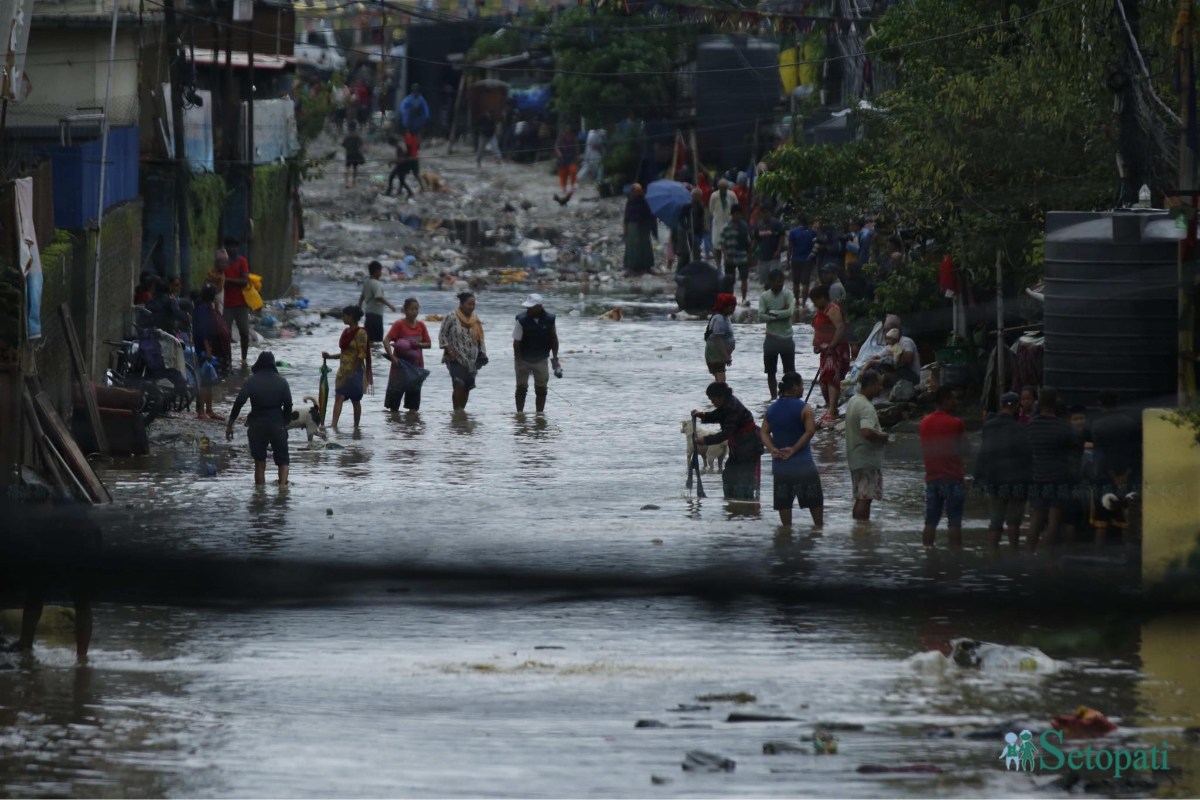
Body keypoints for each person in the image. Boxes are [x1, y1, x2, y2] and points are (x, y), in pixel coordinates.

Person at [4, 484, 99, 663]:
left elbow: (91, 538)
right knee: (33, 595)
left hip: (80, 552)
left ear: (47, 503)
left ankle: (82, 655)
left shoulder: (71, 515)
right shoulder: (31, 517)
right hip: (46, 551)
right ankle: (25, 644)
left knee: (82, 602)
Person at [761, 371, 823, 527]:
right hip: (803, 465)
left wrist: (772, 449)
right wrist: (794, 449)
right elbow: (810, 431)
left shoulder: (772, 409)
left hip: (781, 466)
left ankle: (786, 533)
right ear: (795, 387)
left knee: (784, 503)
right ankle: (818, 530)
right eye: (801, 385)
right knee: (814, 501)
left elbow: (763, 432)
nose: (803, 389)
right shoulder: (805, 409)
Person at [225, 351, 292, 486]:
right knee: (283, 461)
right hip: (277, 424)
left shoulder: (252, 381)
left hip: (257, 425)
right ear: (273, 364)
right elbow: (288, 405)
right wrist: (284, 422)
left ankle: (260, 494)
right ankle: (283, 491)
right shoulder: (282, 382)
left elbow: (239, 402)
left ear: (259, 364)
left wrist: (230, 425)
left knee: (259, 462)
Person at [1027, 387, 1081, 550]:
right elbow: (1076, 450)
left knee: (1036, 518)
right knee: (1053, 520)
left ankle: (1028, 556)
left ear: (1039, 403)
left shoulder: (1031, 425)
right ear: (1055, 403)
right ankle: (1045, 558)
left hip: (1037, 477)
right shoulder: (1064, 427)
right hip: (1059, 478)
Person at [975, 391, 1032, 547]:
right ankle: (1014, 555)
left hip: (995, 480)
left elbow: (983, 454)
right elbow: (1027, 457)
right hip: (1017, 481)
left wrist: (978, 479)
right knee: (1014, 522)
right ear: (1016, 407)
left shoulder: (989, 427)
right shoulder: (1021, 429)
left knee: (995, 521)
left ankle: (992, 554)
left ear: (1001, 405)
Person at [691, 382, 761, 502]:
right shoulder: (726, 404)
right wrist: (702, 415)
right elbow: (717, 415)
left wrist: (705, 440)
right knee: (729, 474)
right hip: (738, 444)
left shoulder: (731, 407)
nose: (711, 402)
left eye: (712, 399)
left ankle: (746, 504)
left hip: (747, 444)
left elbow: (727, 433)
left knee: (744, 476)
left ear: (720, 396)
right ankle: (732, 501)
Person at [1088, 390, 1142, 544]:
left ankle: (1098, 558)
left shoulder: (1097, 426)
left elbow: (1101, 455)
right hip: (1128, 478)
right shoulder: (1131, 423)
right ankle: (1126, 557)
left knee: (1101, 524)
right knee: (1125, 521)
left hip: (1103, 480)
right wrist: (1125, 474)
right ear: (1117, 401)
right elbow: (1137, 452)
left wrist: (1113, 475)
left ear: (1099, 404)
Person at [919, 386, 968, 547]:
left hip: (933, 479)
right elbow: (965, 449)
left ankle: (928, 555)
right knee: (954, 522)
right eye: (953, 398)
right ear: (946, 400)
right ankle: (955, 560)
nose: (956, 402)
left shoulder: (924, 423)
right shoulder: (956, 423)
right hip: (954, 479)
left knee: (930, 521)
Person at [845, 369, 889, 521]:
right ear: (871, 385)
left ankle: (859, 531)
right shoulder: (866, 406)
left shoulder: (853, 400)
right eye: (879, 385)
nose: (881, 388)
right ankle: (862, 534)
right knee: (865, 498)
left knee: (860, 498)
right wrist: (883, 436)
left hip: (856, 458)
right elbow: (867, 432)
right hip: (866, 460)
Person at [321, 306, 373, 429]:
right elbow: (345, 354)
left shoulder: (361, 333)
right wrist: (330, 357)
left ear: (352, 317)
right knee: (339, 396)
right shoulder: (346, 332)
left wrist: (353, 370)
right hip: (343, 372)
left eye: (345, 315)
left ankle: (356, 427)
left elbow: (361, 355)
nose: (343, 318)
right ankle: (333, 425)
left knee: (355, 400)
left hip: (355, 373)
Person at [512, 293, 560, 413]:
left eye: (531, 307)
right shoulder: (521, 319)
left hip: (542, 359)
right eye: (527, 307)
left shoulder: (550, 319)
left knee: (541, 389)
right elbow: (516, 342)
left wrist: (555, 360)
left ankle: (539, 414)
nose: (528, 309)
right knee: (521, 388)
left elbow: (554, 338)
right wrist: (519, 361)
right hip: (523, 358)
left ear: (539, 307)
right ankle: (519, 414)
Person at [439, 291, 487, 411]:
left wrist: (482, 354)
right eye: (469, 304)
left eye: (473, 304)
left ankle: (461, 412)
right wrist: (449, 350)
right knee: (458, 383)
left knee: (466, 386)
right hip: (455, 357)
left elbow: (480, 339)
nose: (471, 307)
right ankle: (456, 411)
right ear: (461, 304)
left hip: (472, 359)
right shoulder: (451, 316)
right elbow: (442, 335)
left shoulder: (475, 319)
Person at [810, 285, 850, 425]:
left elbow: (840, 328)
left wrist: (832, 345)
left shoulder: (833, 309)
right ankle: (830, 407)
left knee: (831, 376)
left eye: (815, 301)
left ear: (822, 298)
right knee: (824, 380)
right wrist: (817, 344)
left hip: (835, 350)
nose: (814, 304)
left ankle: (832, 410)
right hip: (825, 351)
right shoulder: (821, 311)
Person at [383, 297, 432, 412]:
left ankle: (411, 428)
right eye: (411, 309)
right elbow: (386, 340)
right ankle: (396, 428)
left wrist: (418, 345)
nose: (414, 312)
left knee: (413, 407)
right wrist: (392, 356)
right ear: (404, 310)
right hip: (399, 369)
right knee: (393, 406)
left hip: (416, 370)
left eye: (416, 309)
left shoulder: (421, 326)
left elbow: (429, 344)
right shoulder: (399, 324)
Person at [758, 268, 796, 399]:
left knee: (790, 372)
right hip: (771, 338)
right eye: (777, 282)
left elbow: (790, 312)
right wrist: (780, 313)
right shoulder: (764, 296)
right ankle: (773, 397)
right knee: (770, 372)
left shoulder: (788, 294)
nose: (780, 284)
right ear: (770, 282)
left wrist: (772, 312)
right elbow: (760, 317)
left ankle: (790, 395)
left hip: (787, 338)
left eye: (781, 282)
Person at [191, 285, 227, 420]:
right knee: (204, 382)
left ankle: (209, 410)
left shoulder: (206, 308)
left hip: (206, 348)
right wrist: (207, 349)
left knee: (209, 381)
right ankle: (201, 411)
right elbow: (203, 331)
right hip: (203, 349)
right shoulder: (202, 310)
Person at [222, 237, 252, 368]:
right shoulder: (222, 262)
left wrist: (228, 280)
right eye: (230, 247)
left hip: (241, 304)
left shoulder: (242, 261)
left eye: (235, 247)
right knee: (224, 334)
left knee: (244, 332)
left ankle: (244, 359)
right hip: (226, 304)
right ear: (226, 248)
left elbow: (245, 281)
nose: (232, 249)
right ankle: (227, 358)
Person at [719, 204, 752, 304]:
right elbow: (722, 243)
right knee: (730, 280)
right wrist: (725, 256)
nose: (738, 216)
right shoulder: (726, 227)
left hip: (742, 256)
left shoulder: (744, 226)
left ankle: (743, 298)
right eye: (736, 214)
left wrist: (749, 255)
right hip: (730, 256)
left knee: (744, 278)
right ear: (732, 214)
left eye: (740, 214)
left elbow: (748, 242)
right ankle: (730, 299)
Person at [623, 184, 657, 275]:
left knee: (645, 248)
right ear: (633, 191)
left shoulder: (645, 201)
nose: (639, 192)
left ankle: (646, 267)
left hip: (643, 227)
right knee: (632, 248)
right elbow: (626, 217)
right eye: (637, 190)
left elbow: (650, 215)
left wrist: (652, 228)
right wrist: (625, 231)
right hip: (632, 227)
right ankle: (632, 268)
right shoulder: (630, 202)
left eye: (640, 190)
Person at [359, 261, 396, 344]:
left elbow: (362, 296)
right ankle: (376, 355)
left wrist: (359, 307)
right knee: (377, 340)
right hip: (376, 316)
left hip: (368, 315)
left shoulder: (367, 282)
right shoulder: (376, 284)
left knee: (369, 340)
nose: (381, 273)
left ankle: (370, 355)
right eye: (380, 271)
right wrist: (390, 305)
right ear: (376, 271)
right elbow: (378, 297)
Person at [703, 293, 737, 383]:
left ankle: (718, 395)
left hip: (719, 355)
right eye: (731, 306)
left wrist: (727, 354)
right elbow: (718, 339)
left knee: (720, 379)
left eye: (734, 306)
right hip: (715, 354)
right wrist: (726, 356)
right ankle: (720, 396)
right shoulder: (719, 319)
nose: (733, 308)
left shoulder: (725, 317)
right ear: (724, 306)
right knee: (721, 380)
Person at [786, 217, 818, 311]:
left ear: (799, 221)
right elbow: (815, 247)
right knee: (805, 282)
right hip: (807, 260)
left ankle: (796, 301)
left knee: (795, 282)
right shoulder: (812, 233)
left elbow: (790, 247)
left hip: (795, 259)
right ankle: (803, 303)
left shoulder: (793, 232)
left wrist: (788, 260)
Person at [753, 205, 785, 289]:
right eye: (762, 213)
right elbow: (756, 239)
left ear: (769, 213)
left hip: (774, 257)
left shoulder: (776, 223)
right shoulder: (759, 225)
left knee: (775, 279)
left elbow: (782, 236)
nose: (764, 215)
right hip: (762, 257)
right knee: (764, 282)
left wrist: (778, 250)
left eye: (765, 213)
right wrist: (751, 252)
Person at [708, 179, 735, 266]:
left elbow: (735, 206)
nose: (724, 190)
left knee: (729, 245)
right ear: (718, 188)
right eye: (722, 188)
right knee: (717, 245)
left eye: (725, 188)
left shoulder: (731, 195)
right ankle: (718, 265)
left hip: (729, 222)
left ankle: (728, 264)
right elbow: (711, 209)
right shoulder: (714, 196)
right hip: (718, 223)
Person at [554, 125, 579, 203]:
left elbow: (577, 148)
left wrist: (577, 157)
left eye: (570, 134)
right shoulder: (561, 138)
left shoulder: (574, 139)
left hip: (571, 159)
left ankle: (572, 188)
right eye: (567, 133)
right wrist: (559, 154)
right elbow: (556, 147)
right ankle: (564, 189)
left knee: (573, 170)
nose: (569, 135)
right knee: (563, 176)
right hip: (562, 160)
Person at [386, 135, 417, 199]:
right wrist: (394, 161)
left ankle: (409, 192)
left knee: (397, 179)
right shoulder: (399, 146)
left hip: (403, 165)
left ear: (392, 143)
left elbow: (401, 159)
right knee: (398, 179)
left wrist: (392, 162)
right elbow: (400, 158)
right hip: (402, 165)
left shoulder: (399, 147)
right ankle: (407, 192)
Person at [342, 121, 365, 188]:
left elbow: (343, 144)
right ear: (355, 127)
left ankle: (346, 183)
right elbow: (361, 144)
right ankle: (353, 182)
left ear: (349, 127)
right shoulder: (357, 135)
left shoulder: (347, 135)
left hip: (349, 153)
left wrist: (348, 148)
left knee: (347, 167)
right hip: (356, 153)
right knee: (355, 168)